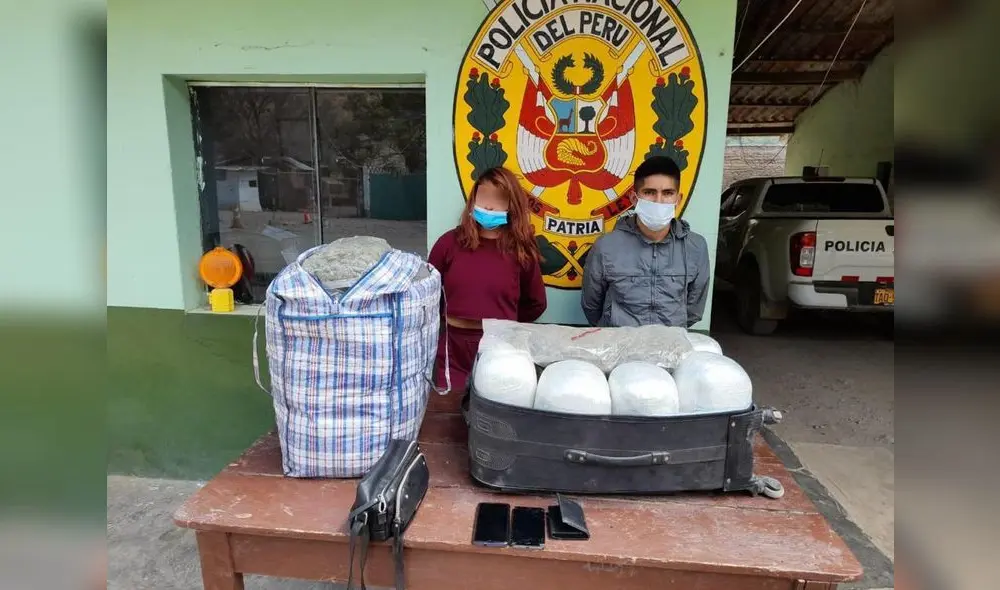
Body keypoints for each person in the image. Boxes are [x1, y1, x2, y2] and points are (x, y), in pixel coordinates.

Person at [429, 166, 547, 399]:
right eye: (484, 198)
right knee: (450, 406)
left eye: (499, 199)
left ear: (512, 205)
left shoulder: (521, 250)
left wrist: (504, 325)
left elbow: (536, 302)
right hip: (453, 345)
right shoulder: (449, 243)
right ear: (473, 199)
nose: (490, 206)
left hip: (500, 346)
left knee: (494, 405)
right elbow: (427, 293)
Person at [581, 156, 710, 328]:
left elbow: (694, 310)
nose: (658, 201)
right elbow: (592, 305)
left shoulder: (695, 247)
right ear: (634, 199)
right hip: (619, 341)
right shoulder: (606, 247)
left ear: (678, 200)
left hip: (669, 341)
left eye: (667, 193)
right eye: (649, 192)